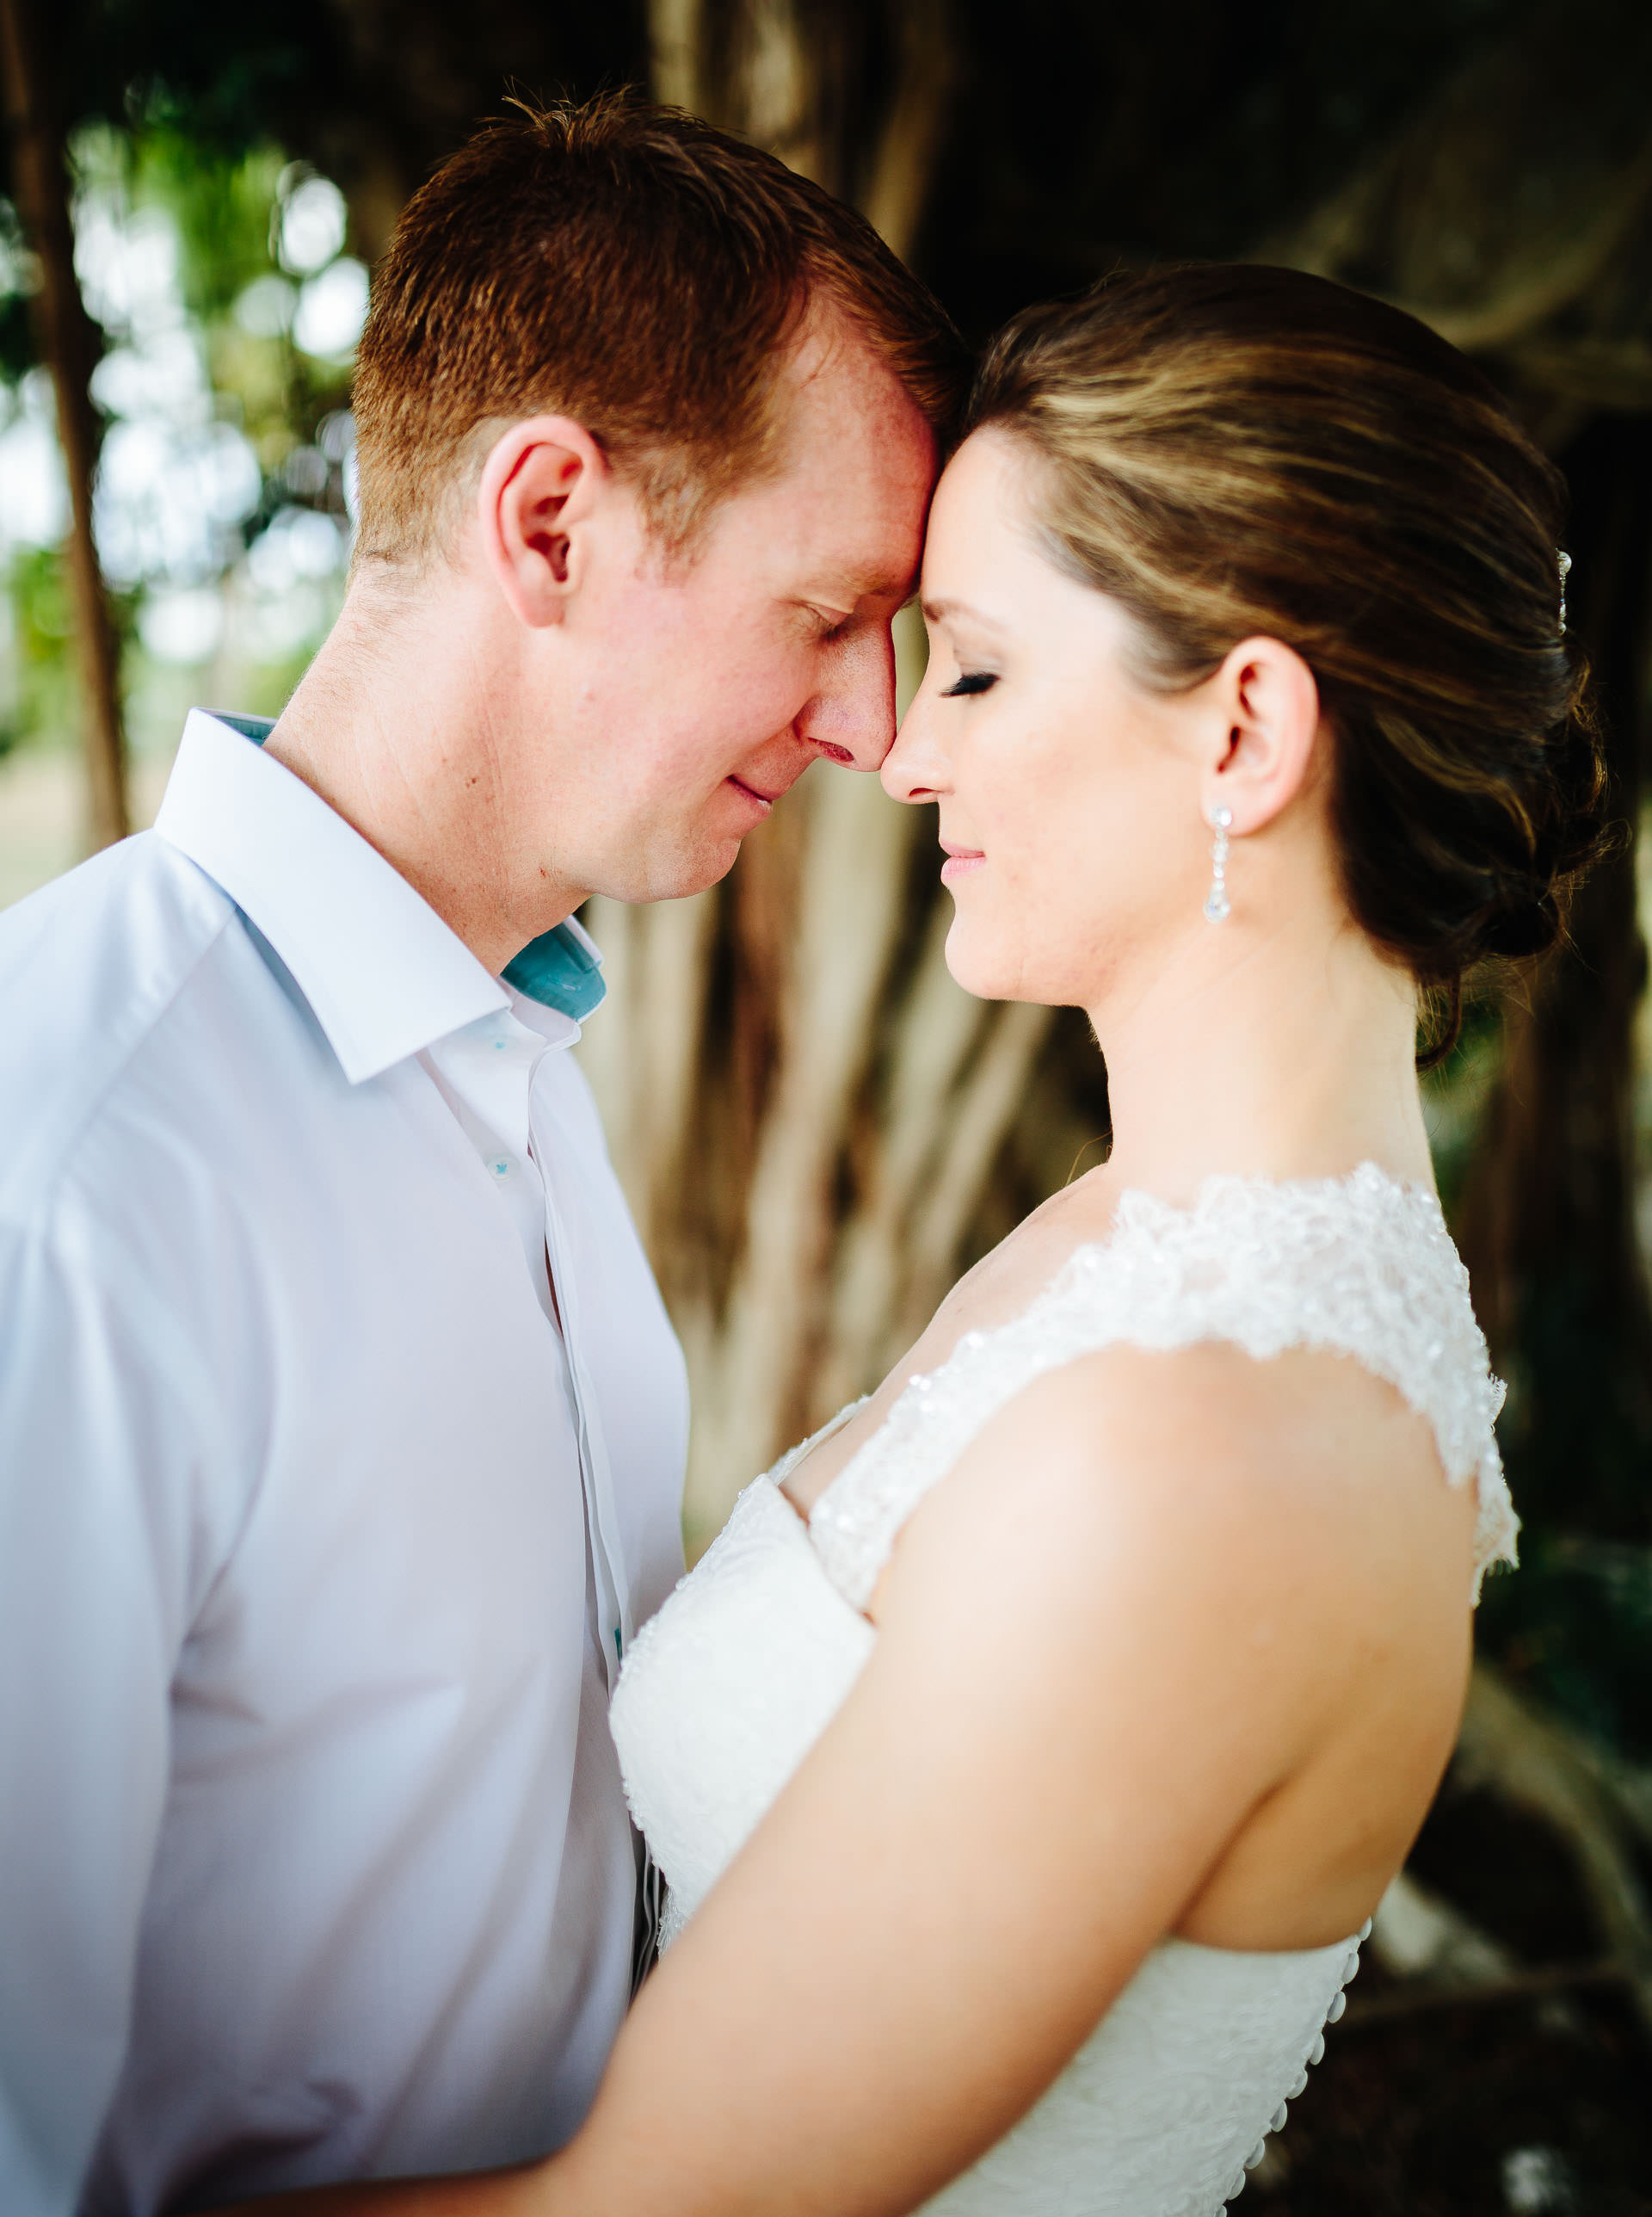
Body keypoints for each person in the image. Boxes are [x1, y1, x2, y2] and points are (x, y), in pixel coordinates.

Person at [226, 262, 1602, 2217]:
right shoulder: (1132, 1251)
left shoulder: (1214, 1445)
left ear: (1242, 737)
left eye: (966, 662)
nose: (898, 748)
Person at [0, 97, 965, 2217]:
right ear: (550, 521)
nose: (874, 729)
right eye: (825, 610)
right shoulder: (68, 1168)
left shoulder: (518, 1072)